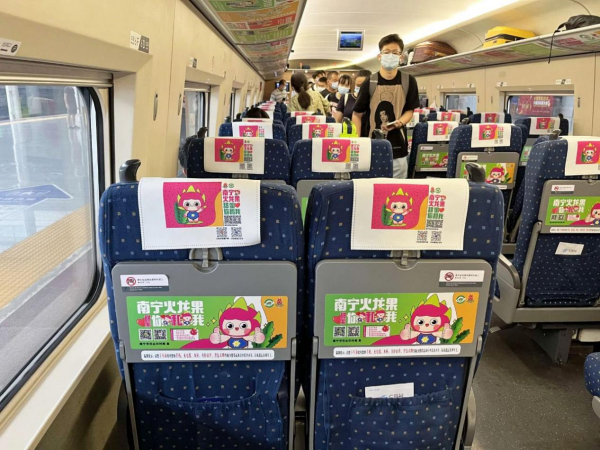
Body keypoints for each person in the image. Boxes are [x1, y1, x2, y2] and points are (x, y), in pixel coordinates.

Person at [352, 34, 419, 179]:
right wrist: (357, 141)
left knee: (397, 188)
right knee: (370, 188)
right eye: (386, 52)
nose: (390, 56)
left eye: (395, 53)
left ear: (401, 57)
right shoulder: (370, 82)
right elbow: (357, 114)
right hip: (370, 145)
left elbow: (409, 110)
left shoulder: (409, 81)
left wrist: (399, 123)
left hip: (398, 146)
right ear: (379, 56)